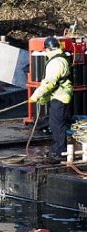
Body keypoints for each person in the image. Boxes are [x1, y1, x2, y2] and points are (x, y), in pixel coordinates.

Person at [29, 36, 73, 164]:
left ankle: (60, 152)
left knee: (57, 125)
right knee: (57, 123)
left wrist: (36, 95)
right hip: (59, 95)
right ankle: (58, 148)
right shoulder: (60, 58)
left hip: (60, 97)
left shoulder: (55, 62)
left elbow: (49, 83)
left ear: (48, 48)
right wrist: (44, 98)